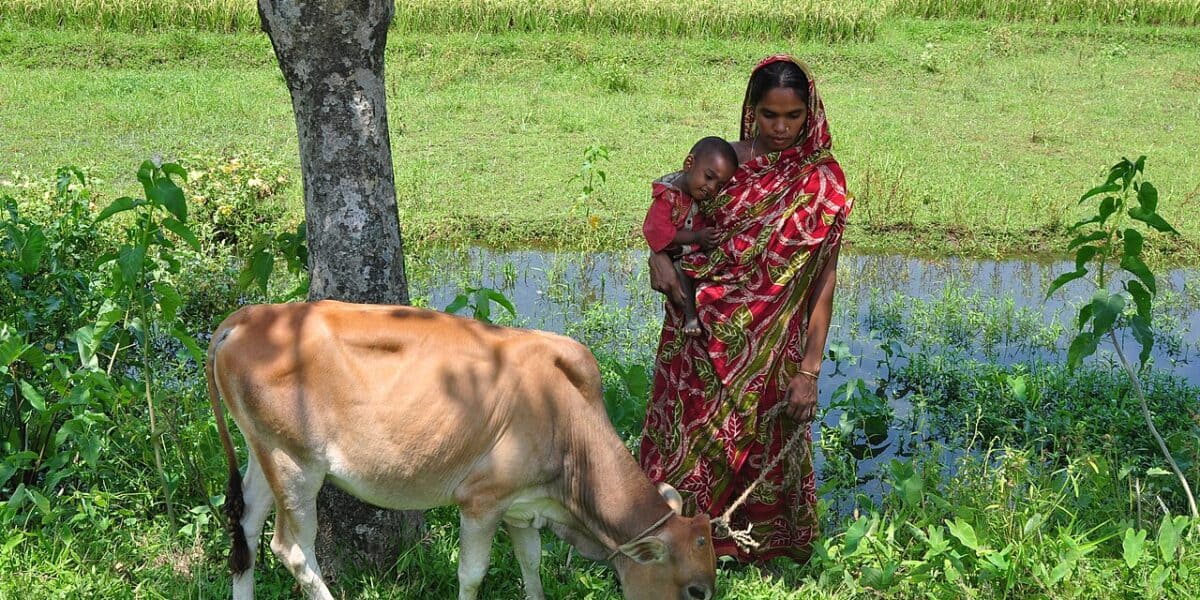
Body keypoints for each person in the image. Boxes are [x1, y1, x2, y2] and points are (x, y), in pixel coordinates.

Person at [639, 55, 852, 565]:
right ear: (750, 111)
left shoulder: (821, 184)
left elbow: (823, 279)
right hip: (695, 338)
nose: (781, 129)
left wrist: (809, 369)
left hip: (773, 347)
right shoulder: (722, 163)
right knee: (684, 443)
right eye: (769, 115)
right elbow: (666, 213)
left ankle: (746, 550)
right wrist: (656, 256)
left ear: (812, 112)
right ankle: (658, 549)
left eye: (794, 116)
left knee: (762, 443)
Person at [642, 136, 737, 336]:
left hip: (693, 248)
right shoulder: (667, 197)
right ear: (689, 164)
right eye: (709, 177)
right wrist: (696, 238)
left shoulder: (694, 194)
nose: (711, 188)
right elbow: (657, 232)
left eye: (719, 186)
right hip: (677, 255)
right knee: (682, 273)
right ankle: (691, 316)